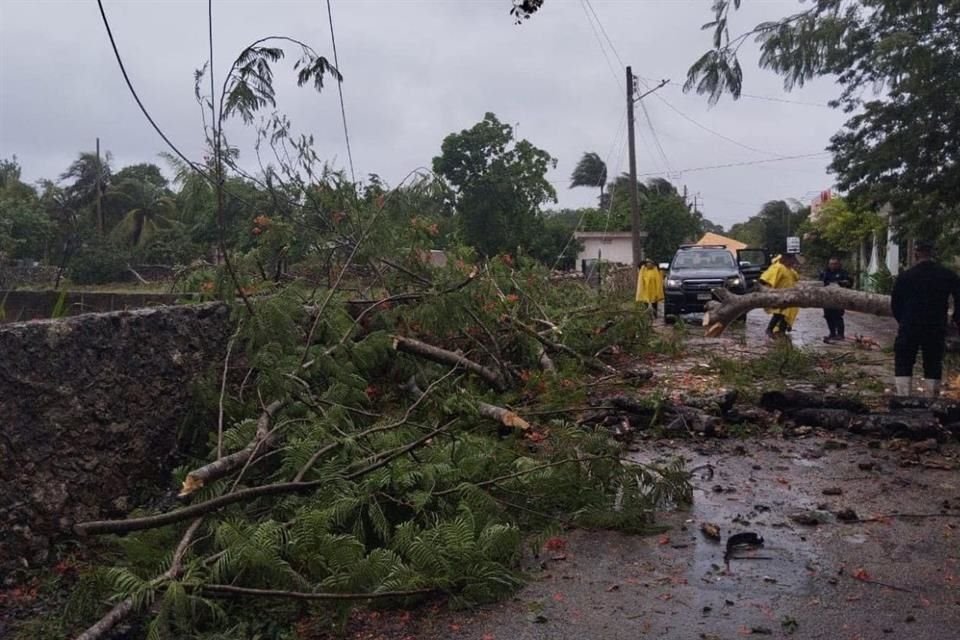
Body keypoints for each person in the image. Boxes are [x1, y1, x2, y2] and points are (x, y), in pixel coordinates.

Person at [890, 241, 960, 397]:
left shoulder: (905, 276)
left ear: (916, 254)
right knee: (933, 360)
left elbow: (895, 303)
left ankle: (903, 396)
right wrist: (955, 318)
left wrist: (902, 320)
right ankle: (931, 397)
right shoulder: (947, 275)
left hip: (910, 324)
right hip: (935, 324)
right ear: (933, 254)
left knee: (904, 358)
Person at [759, 252, 800, 337]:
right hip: (780, 294)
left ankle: (782, 331)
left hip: (789, 295)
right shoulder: (778, 267)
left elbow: (796, 278)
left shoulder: (789, 269)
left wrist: (794, 268)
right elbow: (766, 278)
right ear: (785, 259)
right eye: (791, 260)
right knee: (779, 313)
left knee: (787, 313)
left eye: (793, 261)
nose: (792, 262)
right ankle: (769, 330)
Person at [820, 257, 852, 342]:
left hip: (839, 298)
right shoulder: (825, 272)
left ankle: (840, 334)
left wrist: (842, 283)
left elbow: (849, 283)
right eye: (831, 264)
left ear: (838, 264)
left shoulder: (843, 273)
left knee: (837, 316)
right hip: (827, 298)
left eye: (835, 264)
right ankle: (832, 333)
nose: (833, 266)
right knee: (828, 316)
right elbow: (820, 283)